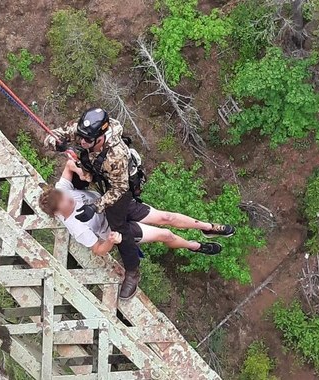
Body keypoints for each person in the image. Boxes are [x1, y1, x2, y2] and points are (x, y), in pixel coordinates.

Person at [44, 107, 234, 299]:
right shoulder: (86, 133)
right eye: (81, 138)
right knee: (161, 233)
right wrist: (57, 143)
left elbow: (119, 188)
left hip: (117, 189)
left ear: (100, 138)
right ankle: (192, 247)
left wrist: (96, 206)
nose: (82, 142)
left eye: (87, 140)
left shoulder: (115, 155)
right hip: (107, 212)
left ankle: (206, 228)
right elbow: (55, 136)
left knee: (163, 217)